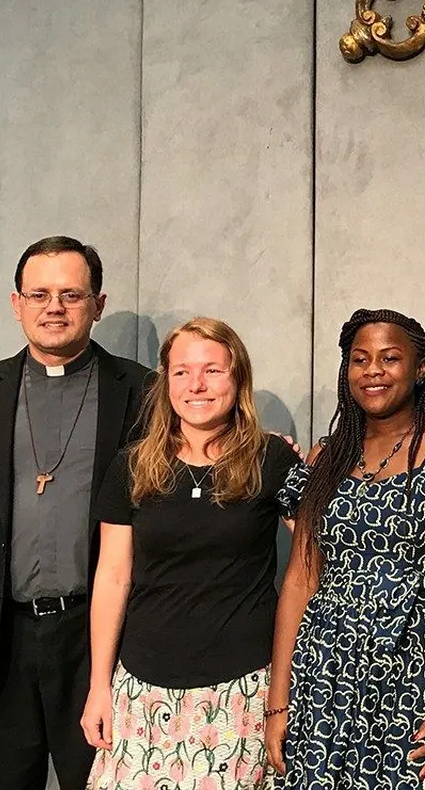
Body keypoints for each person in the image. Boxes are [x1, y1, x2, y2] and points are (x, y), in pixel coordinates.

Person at [0, 236, 151, 790]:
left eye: (71, 294)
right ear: (16, 303)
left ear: (98, 304)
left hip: (99, 639)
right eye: (39, 294)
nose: (54, 308)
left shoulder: (144, 392)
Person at [266, 309, 425, 789]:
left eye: (390, 358)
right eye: (360, 359)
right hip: (329, 683)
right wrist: (279, 703)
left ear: (420, 369)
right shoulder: (325, 457)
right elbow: (299, 581)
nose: (373, 370)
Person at [81, 317, 300, 788]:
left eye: (212, 370)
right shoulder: (132, 465)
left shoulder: (271, 459)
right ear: (166, 382)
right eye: (181, 372)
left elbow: (318, 557)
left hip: (242, 690)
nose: (196, 385)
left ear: (237, 378)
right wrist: (99, 686)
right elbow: (113, 577)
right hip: (142, 690)